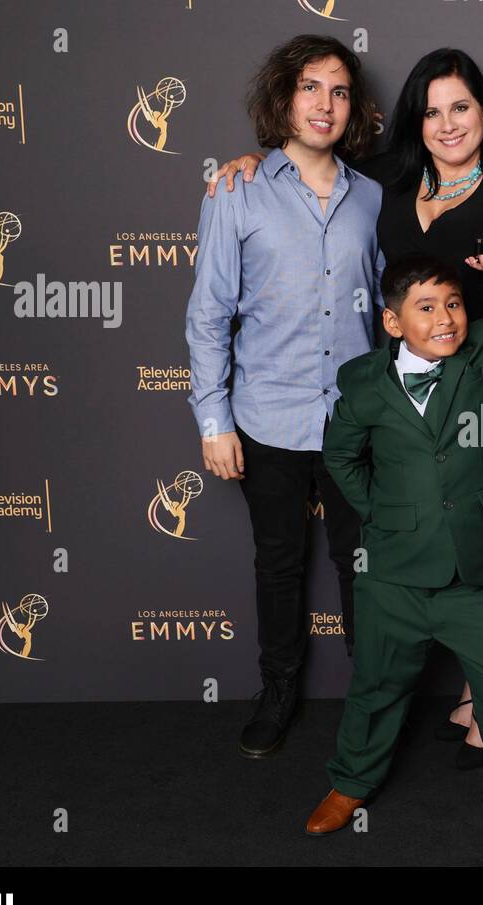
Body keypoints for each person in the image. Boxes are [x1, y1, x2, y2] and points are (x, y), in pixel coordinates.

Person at [209, 49, 483, 771]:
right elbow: (306, 168)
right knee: (374, 549)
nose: (447, 123)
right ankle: (348, 700)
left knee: (477, 541)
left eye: (461, 107)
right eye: (432, 110)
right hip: (401, 413)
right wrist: (247, 162)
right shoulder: (382, 182)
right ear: (414, 120)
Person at [304, 255, 483, 839]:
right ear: (393, 324)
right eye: (427, 307)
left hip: (472, 573)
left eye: (454, 304)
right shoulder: (364, 384)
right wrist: (383, 514)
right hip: (392, 573)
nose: (446, 319)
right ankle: (350, 781)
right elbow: (338, 456)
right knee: (375, 686)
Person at [185, 35, 383, 758]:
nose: (324, 104)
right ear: (283, 99)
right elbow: (208, 313)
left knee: (364, 566)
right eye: (310, 88)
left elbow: (390, 313)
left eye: (338, 91)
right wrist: (214, 419)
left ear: (353, 107)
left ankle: (373, 700)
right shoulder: (238, 190)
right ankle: (277, 693)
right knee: (279, 563)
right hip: (266, 415)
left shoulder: (374, 197)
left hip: (358, 421)